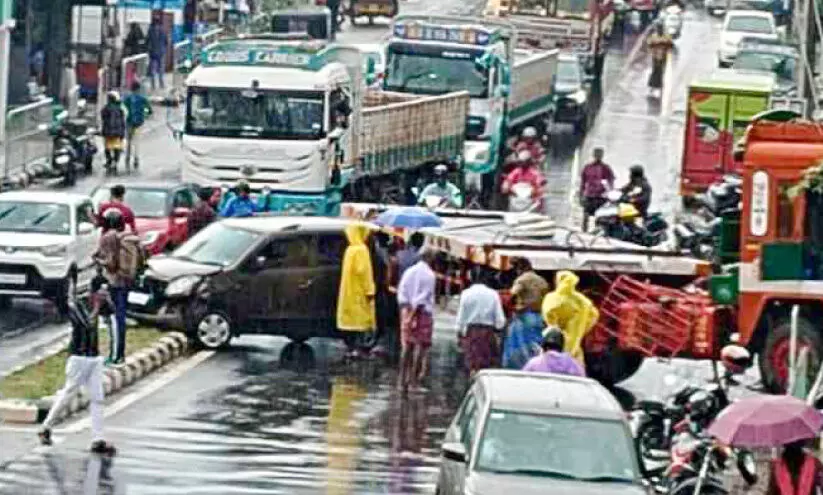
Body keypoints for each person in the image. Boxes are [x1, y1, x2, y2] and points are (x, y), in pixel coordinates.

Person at [38, 281, 117, 455]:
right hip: (78, 358)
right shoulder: (78, 305)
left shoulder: (102, 304)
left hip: (94, 358)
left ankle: (98, 439)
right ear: (93, 293)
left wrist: (107, 302)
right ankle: (46, 426)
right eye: (100, 293)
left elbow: (112, 312)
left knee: (97, 398)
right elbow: (86, 324)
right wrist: (97, 307)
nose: (102, 297)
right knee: (68, 395)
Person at [94, 209, 143, 366]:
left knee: (114, 319)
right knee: (121, 317)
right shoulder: (130, 236)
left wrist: (98, 260)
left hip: (114, 281)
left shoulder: (108, 237)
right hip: (127, 282)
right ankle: (120, 353)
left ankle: (115, 356)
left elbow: (110, 263)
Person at [396, 248, 437, 393]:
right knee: (420, 347)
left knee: (407, 346)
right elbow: (422, 298)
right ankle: (413, 381)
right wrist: (413, 315)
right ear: (431, 259)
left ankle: (402, 380)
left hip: (406, 310)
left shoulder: (409, 271)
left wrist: (407, 313)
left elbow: (402, 292)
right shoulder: (429, 275)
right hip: (421, 313)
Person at [455, 267, 506, 375]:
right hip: (488, 333)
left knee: (471, 364)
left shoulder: (466, 293)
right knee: (486, 366)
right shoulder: (493, 294)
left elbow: (461, 318)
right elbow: (500, 320)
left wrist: (459, 334)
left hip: (471, 333)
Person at [541, 270, 599, 366]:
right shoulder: (582, 300)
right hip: (575, 345)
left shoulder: (552, 298)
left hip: (556, 344)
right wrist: (582, 329)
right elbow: (594, 314)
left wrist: (555, 329)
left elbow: (548, 315)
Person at [337, 223, 377, 358]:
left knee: (350, 323)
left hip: (348, 293)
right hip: (359, 293)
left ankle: (351, 348)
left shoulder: (350, 250)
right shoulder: (361, 250)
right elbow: (364, 272)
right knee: (362, 322)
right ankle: (359, 349)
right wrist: (369, 290)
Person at [502, 257, 549, 369]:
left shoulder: (522, 280)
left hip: (524, 317)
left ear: (519, 268)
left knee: (517, 346)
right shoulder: (542, 281)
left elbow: (512, 295)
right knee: (536, 346)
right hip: (539, 317)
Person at [579, 146, 616, 231]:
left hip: (601, 197)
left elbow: (611, 181)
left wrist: (610, 193)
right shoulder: (587, 167)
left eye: (600, 155)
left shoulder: (606, 168)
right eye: (597, 154)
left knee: (600, 218)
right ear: (594, 155)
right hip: (590, 195)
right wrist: (581, 196)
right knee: (585, 216)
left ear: (602, 156)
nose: (598, 156)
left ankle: (598, 233)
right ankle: (583, 232)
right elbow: (583, 183)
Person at [123, 82, 152, 171]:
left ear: (131, 89)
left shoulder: (127, 98)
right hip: (139, 123)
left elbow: (123, 109)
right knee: (136, 141)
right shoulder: (142, 99)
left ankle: (127, 157)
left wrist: (126, 117)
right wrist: (145, 115)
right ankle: (136, 158)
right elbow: (149, 110)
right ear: (138, 89)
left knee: (128, 141)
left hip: (129, 123)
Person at [100, 91, 126, 173]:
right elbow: (122, 121)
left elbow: (103, 117)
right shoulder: (120, 109)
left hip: (108, 132)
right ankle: (115, 161)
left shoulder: (105, 108)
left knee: (107, 147)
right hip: (117, 132)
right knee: (116, 148)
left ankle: (109, 160)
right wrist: (122, 132)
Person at [647, 23, 674, 97]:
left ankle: (659, 86)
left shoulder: (666, 36)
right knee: (655, 70)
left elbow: (671, 45)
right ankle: (652, 86)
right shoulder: (654, 36)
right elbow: (650, 45)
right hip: (655, 56)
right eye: (658, 28)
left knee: (661, 71)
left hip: (663, 56)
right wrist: (654, 48)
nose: (660, 30)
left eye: (661, 28)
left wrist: (665, 45)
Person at [146, 19, 168, 91]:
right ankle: (154, 85)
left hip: (159, 53)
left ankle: (160, 85)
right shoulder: (152, 31)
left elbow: (166, 42)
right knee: (154, 70)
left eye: (158, 25)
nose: (157, 27)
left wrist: (163, 49)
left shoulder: (162, 31)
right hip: (154, 53)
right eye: (156, 25)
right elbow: (147, 41)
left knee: (159, 70)